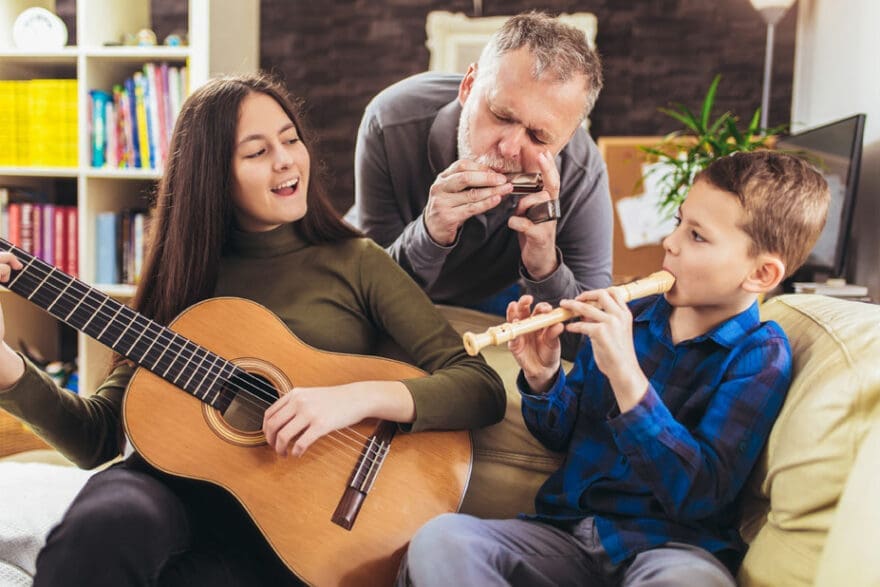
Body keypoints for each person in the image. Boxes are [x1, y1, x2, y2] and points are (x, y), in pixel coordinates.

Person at [0, 73, 505, 586]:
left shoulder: (356, 263)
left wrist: (354, 399)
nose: (286, 160)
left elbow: (480, 387)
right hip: (167, 492)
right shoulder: (182, 275)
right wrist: (5, 368)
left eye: (290, 140)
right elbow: (98, 435)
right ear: (212, 175)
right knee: (104, 523)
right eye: (257, 152)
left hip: (290, 525)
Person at [398, 150, 831, 586]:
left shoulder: (759, 356)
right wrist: (544, 376)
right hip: (565, 535)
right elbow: (560, 434)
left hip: (670, 548)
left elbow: (698, 494)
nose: (671, 242)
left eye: (697, 236)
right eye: (680, 221)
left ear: (760, 274)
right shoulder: (632, 312)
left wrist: (628, 378)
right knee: (442, 539)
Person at [349, 12, 612, 348]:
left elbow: (588, 338)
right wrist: (428, 233)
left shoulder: (582, 169)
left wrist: (544, 264)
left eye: (539, 136)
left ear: (568, 138)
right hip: (393, 268)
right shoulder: (390, 121)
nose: (509, 147)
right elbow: (372, 298)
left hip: (502, 294)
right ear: (468, 86)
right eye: (501, 115)